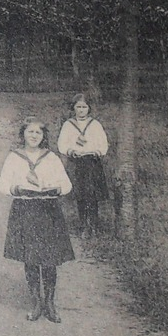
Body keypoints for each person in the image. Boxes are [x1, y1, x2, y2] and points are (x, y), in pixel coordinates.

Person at [0, 116, 75, 322]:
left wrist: (56, 188)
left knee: (49, 259)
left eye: (38, 133)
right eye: (30, 132)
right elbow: (2, 184)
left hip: (48, 210)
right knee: (30, 257)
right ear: (23, 134)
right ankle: (36, 302)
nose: (34, 136)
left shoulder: (51, 158)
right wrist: (16, 188)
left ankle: (50, 302)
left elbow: (66, 185)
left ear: (44, 136)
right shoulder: (14, 157)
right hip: (25, 208)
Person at [56, 94, 110, 238]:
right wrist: (71, 151)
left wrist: (97, 151)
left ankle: (94, 224)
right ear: (73, 108)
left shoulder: (95, 125)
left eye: (84, 107)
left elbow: (103, 144)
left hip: (92, 163)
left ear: (89, 108)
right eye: (78, 107)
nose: (81, 110)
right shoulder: (68, 125)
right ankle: (83, 224)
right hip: (77, 163)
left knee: (92, 194)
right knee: (80, 195)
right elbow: (62, 144)